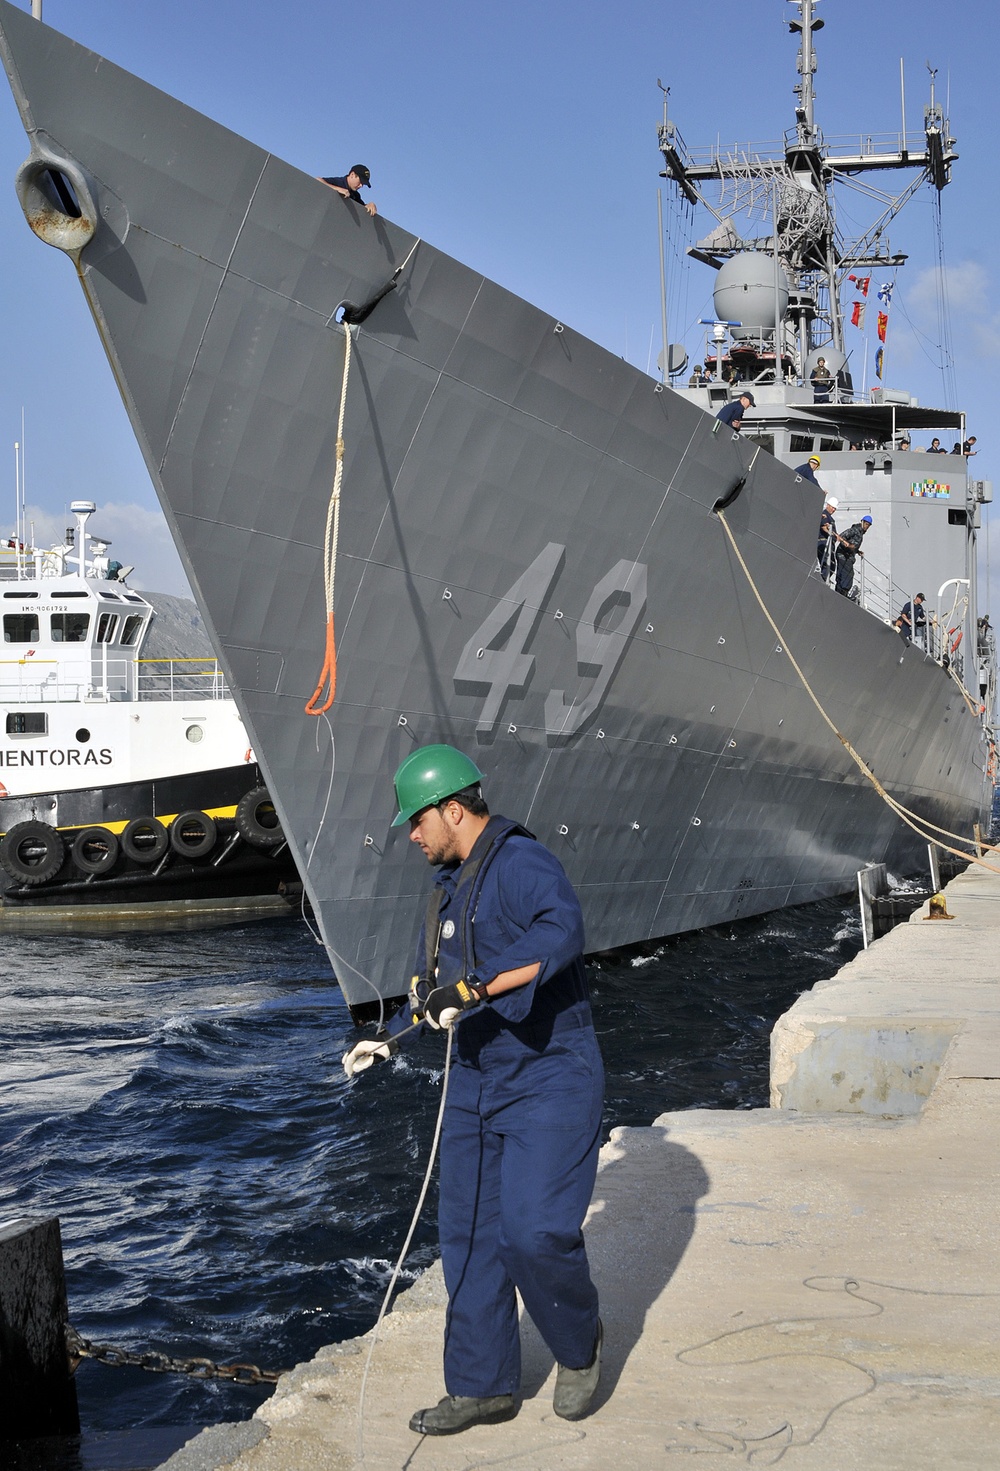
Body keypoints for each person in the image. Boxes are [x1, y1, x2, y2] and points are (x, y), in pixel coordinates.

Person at [343, 745, 605, 1436]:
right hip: (475, 1076)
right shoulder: (450, 887)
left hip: (548, 1070)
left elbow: (562, 930)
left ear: (452, 809)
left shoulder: (520, 862)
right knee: (467, 1239)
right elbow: (435, 990)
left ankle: (580, 1346)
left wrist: (479, 986)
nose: (410, 834)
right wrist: (387, 1035)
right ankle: (482, 1385)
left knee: (535, 1230)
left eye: (416, 820)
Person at [835, 514, 872, 597]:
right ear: (862, 522)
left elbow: (854, 545)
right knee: (848, 573)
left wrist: (857, 551)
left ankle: (839, 591)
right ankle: (843, 592)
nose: (867, 527)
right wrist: (847, 544)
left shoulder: (860, 533)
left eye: (868, 525)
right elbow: (841, 536)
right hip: (843, 554)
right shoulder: (854, 530)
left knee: (842, 573)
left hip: (848, 555)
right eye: (866, 524)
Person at [816, 495, 844, 581]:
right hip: (824, 543)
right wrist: (832, 534)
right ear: (828, 505)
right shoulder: (824, 515)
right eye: (832, 507)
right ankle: (823, 579)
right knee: (827, 564)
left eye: (835, 508)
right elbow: (824, 527)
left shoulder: (830, 518)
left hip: (829, 544)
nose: (833, 510)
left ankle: (824, 579)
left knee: (831, 565)